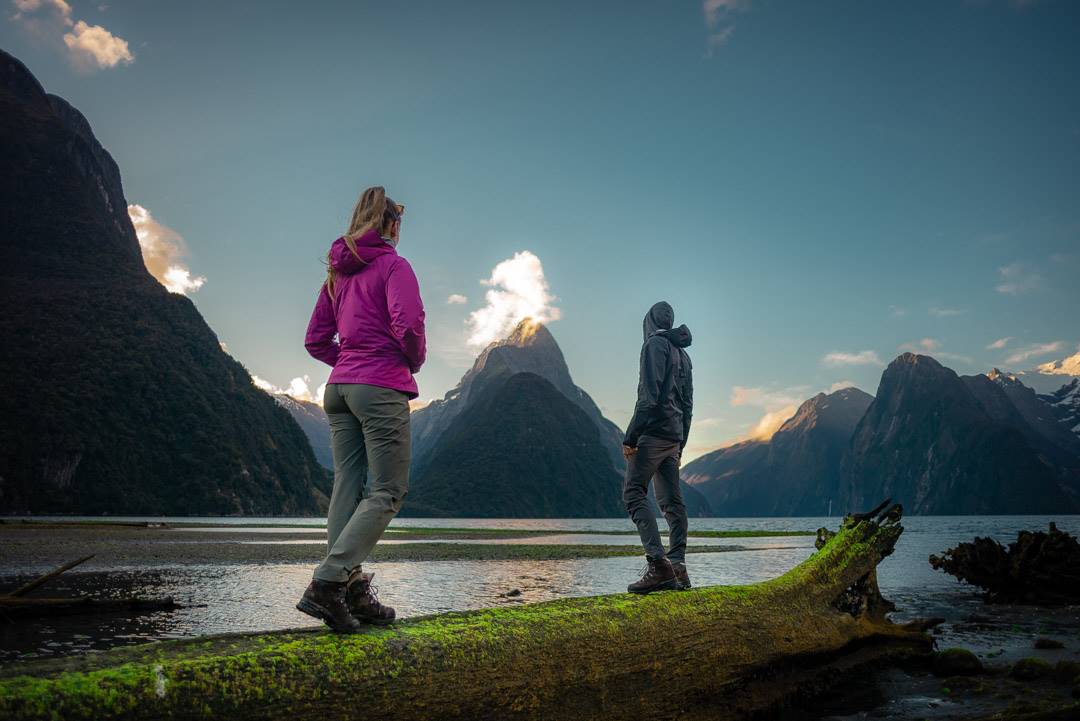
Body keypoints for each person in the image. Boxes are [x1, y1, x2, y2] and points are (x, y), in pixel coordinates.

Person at [296, 186, 425, 632]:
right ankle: (329, 581)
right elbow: (409, 324)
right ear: (391, 224)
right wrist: (408, 362)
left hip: (338, 390)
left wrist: (349, 363)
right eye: (399, 222)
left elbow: (315, 340)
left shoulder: (337, 274)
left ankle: (349, 590)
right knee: (388, 490)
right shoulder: (394, 266)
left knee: (347, 486)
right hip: (380, 384)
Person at [622, 301, 694, 594]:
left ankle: (658, 565)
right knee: (672, 503)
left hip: (652, 434)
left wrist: (631, 437)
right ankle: (678, 566)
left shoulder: (654, 345)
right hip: (673, 436)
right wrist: (681, 444)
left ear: (649, 322)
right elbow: (687, 405)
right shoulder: (684, 355)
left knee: (633, 494)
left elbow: (648, 396)